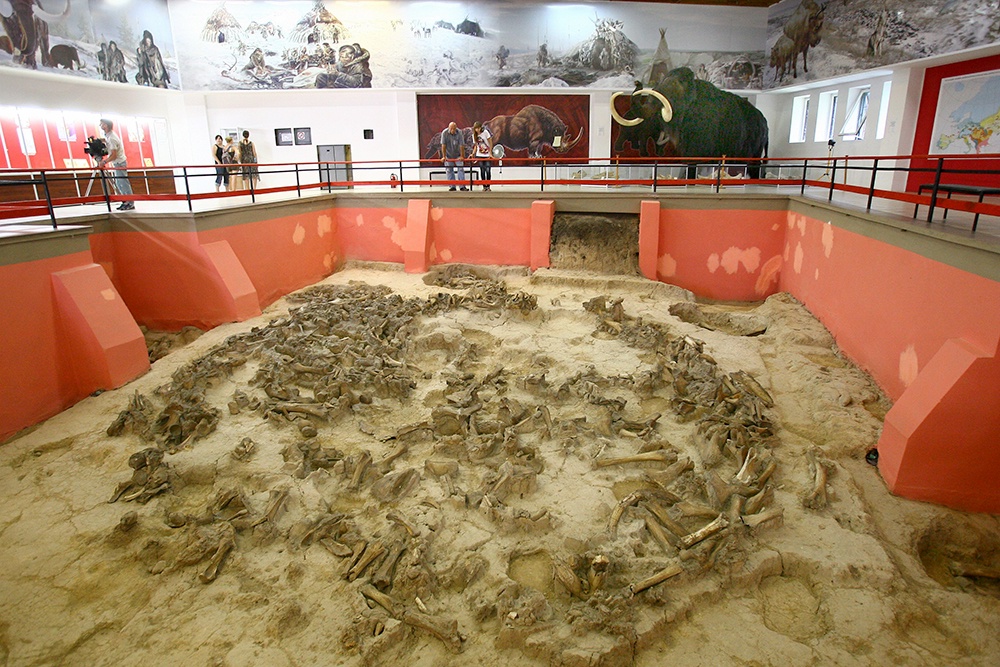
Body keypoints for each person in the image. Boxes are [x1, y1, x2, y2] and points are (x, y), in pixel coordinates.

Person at [97, 118, 134, 210]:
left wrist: (104, 162)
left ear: (106, 125)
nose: (100, 126)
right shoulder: (109, 136)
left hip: (119, 163)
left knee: (123, 183)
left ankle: (130, 202)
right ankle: (125, 201)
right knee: (119, 183)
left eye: (102, 124)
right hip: (117, 163)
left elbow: (114, 155)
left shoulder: (112, 138)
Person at [440, 122, 467, 191]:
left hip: (458, 154)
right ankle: (452, 186)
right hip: (448, 154)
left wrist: (462, 156)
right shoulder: (444, 133)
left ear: (456, 128)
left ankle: (462, 186)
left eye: (454, 129)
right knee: (449, 170)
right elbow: (443, 145)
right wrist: (444, 156)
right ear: (449, 128)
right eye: (451, 129)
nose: (453, 130)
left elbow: (461, 145)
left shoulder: (459, 132)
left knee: (460, 169)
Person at [472, 121, 494, 191]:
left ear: (481, 127)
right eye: (476, 128)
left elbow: (490, 142)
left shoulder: (485, 132)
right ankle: (484, 186)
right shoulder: (474, 135)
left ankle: (488, 186)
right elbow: (476, 146)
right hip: (479, 154)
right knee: (482, 170)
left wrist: (490, 153)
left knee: (488, 170)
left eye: (478, 128)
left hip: (487, 154)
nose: (477, 130)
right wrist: (473, 153)